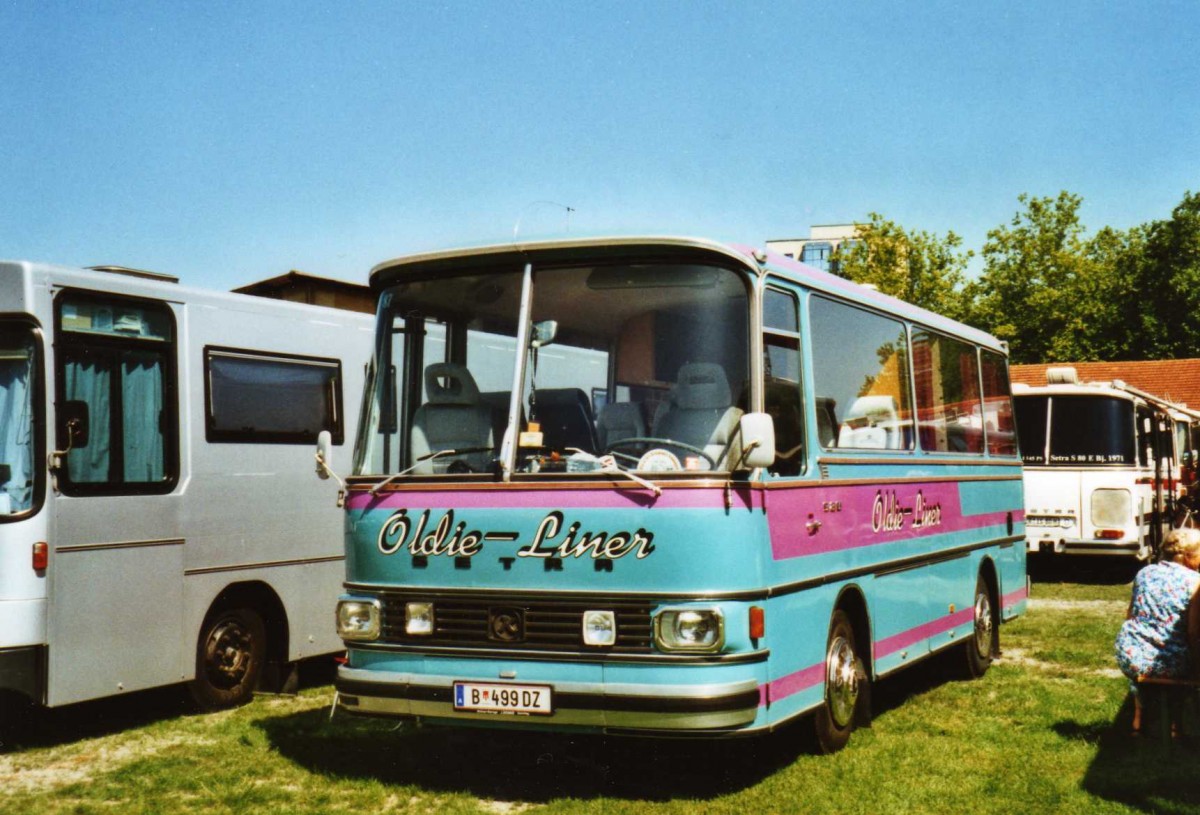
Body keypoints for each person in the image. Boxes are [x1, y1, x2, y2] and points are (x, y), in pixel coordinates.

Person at [1114, 527, 1200, 735]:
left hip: (1130, 654)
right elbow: (1193, 631)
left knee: (1150, 658)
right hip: (1171, 662)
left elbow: (1131, 614)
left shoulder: (1144, 573)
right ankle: (1176, 724)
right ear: (1189, 555)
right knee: (1188, 659)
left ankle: (1139, 717)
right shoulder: (1195, 582)